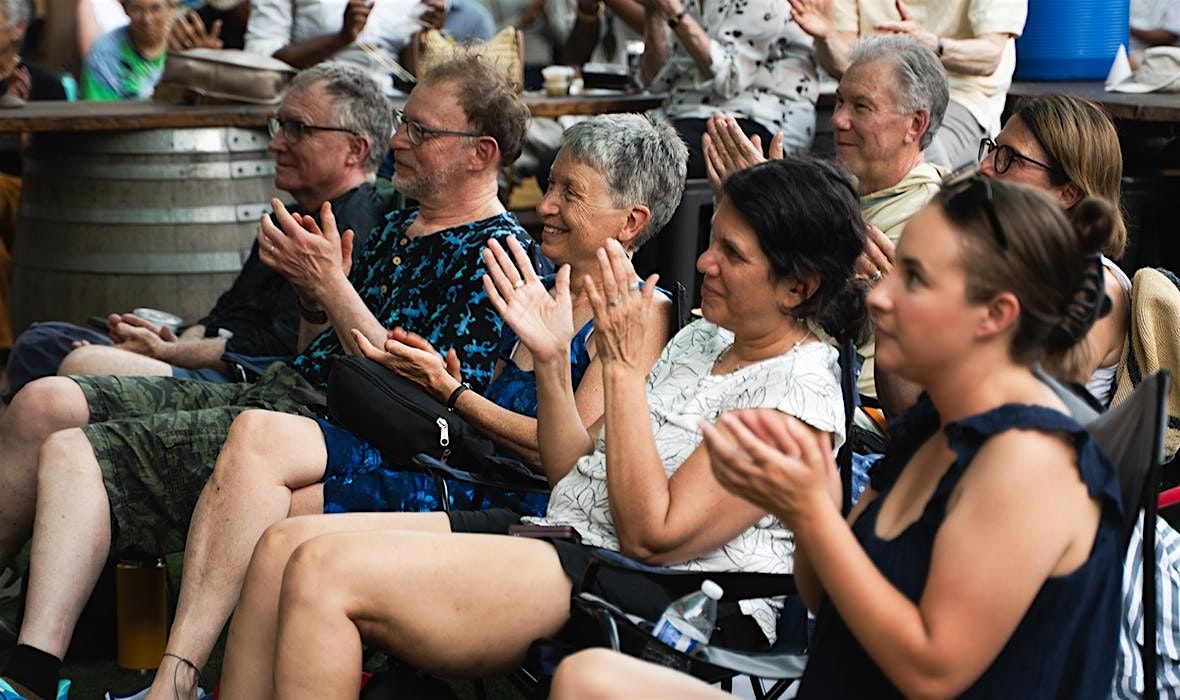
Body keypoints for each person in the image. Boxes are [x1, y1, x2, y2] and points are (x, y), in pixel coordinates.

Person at [213, 155, 871, 698]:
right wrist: (554, 363)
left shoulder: (795, 396)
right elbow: (570, 471)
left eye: (733, 254)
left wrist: (620, 373)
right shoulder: (706, 338)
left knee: (324, 572)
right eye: (713, 241)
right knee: (284, 546)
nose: (704, 262)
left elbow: (653, 537)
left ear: (797, 288)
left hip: (654, 593)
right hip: (565, 534)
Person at [0, 53, 532, 700]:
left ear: (480, 153)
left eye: (419, 130)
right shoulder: (396, 222)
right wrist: (313, 301)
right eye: (402, 120)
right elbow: (314, 353)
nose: (397, 139)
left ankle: (151, 682)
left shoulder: (499, 257)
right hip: (283, 397)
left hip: (338, 437)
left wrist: (331, 287)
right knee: (54, 417)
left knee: (82, 440)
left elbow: (430, 408)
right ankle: (36, 674)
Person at [113, 113, 686, 700]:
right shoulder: (544, 290)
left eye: (571, 192)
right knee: (274, 524)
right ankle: (202, 686)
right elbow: (496, 413)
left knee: (289, 533)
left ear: (632, 220)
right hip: (466, 475)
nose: (546, 205)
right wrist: (447, 381)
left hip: (525, 513)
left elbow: (563, 459)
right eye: (551, 184)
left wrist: (453, 394)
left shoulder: (641, 312)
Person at [552, 175, 1123, 698]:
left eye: (914, 279)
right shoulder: (936, 424)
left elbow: (932, 671)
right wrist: (811, 512)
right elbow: (825, 595)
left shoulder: (1030, 460)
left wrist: (813, 515)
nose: (878, 296)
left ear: (994, 315)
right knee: (588, 679)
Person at [2, 63, 392, 401]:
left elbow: (279, 349)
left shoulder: (353, 230)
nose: (275, 143)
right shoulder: (289, 216)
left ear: (355, 149)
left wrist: (165, 353)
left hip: (246, 385)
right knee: (45, 341)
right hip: (205, 360)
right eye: (279, 125)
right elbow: (227, 312)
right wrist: (169, 340)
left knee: (65, 359)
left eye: (297, 129)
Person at [703, 34, 946, 431]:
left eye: (861, 107)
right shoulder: (832, 190)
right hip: (748, 372)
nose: (837, 120)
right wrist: (746, 211)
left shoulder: (935, 219)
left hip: (844, 414)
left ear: (915, 124)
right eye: (839, 102)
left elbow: (814, 316)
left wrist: (777, 215)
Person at [978, 94, 1129, 407]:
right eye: (993, 148)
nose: (985, 166)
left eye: (1009, 158)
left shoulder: (1095, 292)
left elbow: (1021, 413)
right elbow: (911, 411)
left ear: (1068, 193)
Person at [790, 0, 1027, 170]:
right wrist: (827, 36)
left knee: (920, 158)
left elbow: (989, 56)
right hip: (873, 93)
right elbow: (848, 65)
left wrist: (931, 45)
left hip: (961, 95)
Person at [637, 0, 819, 177]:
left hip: (757, 121)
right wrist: (654, 12)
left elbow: (731, 79)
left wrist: (674, 12)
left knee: (643, 155)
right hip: (682, 116)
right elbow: (654, 81)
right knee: (626, 145)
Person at [0, 0, 66, 357]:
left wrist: (24, 140)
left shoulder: (45, 85)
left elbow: (59, 161)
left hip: (34, 194)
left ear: (18, 29)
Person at [243, 0, 424, 93]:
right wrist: (340, 39)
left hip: (388, 105)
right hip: (316, 102)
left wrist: (426, 32)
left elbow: (407, 72)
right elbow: (259, 58)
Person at [80, 0, 176, 100]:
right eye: (137, 9)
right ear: (126, 9)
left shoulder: (181, 45)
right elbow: (97, 107)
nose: (147, 19)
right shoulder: (104, 53)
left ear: (171, 8)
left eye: (156, 9)